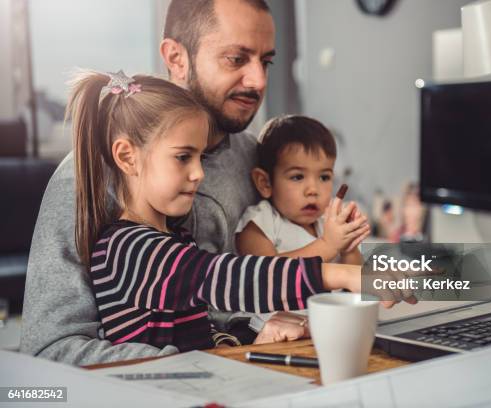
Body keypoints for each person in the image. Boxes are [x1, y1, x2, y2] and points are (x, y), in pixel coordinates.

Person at [19, 0, 305, 364]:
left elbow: (321, 240)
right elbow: (50, 350)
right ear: (176, 56)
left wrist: (392, 276)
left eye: (266, 62)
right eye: (236, 59)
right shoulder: (91, 171)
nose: (259, 81)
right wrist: (207, 362)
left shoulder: (258, 159)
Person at [67, 70, 370, 352]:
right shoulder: (126, 248)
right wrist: (339, 274)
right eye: (183, 157)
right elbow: (224, 278)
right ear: (127, 157)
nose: (199, 172)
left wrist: (250, 342)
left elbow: (198, 334)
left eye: (199, 157)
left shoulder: (177, 238)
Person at [235, 115, 369, 265]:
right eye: (297, 177)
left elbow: (357, 275)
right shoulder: (261, 223)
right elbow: (265, 272)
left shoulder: (326, 223)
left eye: (324, 177)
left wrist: (348, 247)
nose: (313, 190)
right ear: (265, 183)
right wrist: (327, 245)